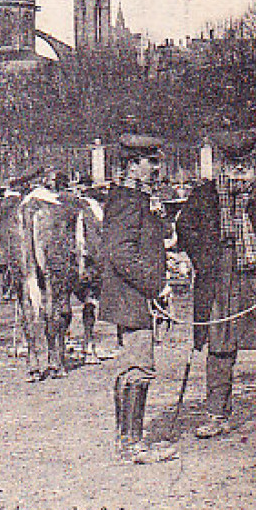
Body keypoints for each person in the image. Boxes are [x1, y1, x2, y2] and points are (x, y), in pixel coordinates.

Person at [175, 129, 256, 436]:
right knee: (219, 346)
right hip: (224, 278)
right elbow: (185, 228)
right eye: (233, 163)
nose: (239, 169)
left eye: (245, 162)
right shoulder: (205, 195)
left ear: (253, 162)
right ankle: (216, 415)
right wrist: (199, 258)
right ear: (223, 163)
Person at [99, 133, 178, 464]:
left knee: (134, 366)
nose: (157, 168)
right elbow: (120, 254)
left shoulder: (135, 199)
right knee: (138, 367)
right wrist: (156, 286)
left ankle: (128, 440)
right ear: (132, 166)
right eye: (151, 162)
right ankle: (132, 444)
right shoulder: (127, 202)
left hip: (134, 295)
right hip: (133, 297)